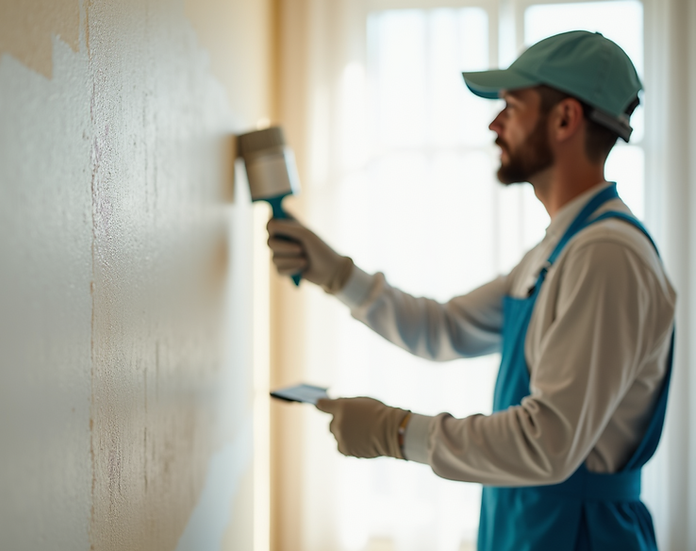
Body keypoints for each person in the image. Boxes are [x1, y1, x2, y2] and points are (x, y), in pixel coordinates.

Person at [267, 31, 675, 550]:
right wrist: (336, 274)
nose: (493, 123)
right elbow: (445, 330)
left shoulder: (606, 256)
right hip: (530, 522)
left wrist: (395, 432)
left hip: (580, 535)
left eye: (510, 106)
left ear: (566, 119)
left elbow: (544, 443)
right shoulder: (556, 251)